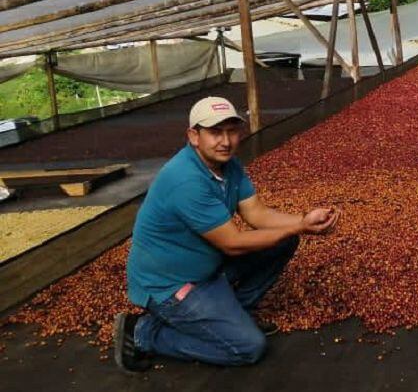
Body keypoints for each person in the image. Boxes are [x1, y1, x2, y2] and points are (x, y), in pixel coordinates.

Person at [113, 96, 340, 372]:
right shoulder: (185, 179)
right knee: (249, 348)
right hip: (171, 285)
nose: (226, 141)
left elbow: (256, 214)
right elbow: (232, 244)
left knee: (284, 238)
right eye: (215, 132)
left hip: (208, 267)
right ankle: (144, 332)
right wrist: (301, 226)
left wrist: (302, 221)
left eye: (232, 131)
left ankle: (233, 315)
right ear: (193, 136)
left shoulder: (228, 165)